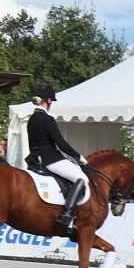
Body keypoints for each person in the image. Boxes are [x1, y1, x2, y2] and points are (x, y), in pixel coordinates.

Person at [26, 83, 88, 231]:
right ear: (48, 100)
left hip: (34, 158)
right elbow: (62, 144)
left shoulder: (31, 119)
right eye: (51, 101)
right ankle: (67, 214)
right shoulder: (47, 119)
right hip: (49, 158)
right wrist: (79, 157)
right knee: (82, 178)